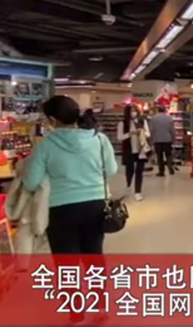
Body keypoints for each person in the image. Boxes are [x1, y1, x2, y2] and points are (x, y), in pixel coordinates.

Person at [19, 96, 117, 324]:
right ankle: (100, 307)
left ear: (52, 120)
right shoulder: (99, 139)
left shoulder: (45, 147)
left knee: (66, 263)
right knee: (94, 256)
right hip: (94, 206)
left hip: (60, 209)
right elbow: (111, 169)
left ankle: (76, 313)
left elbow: (31, 183)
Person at [117, 104, 151, 201]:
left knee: (139, 172)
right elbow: (119, 137)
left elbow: (148, 134)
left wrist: (142, 132)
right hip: (129, 151)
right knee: (129, 170)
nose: (133, 113)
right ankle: (128, 185)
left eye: (135, 111)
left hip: (141, 150)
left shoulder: (142, 121)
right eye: (131, 111)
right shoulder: (122, 123)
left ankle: (138, 191)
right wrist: (129, 134)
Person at [149, 106, 176, 177]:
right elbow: (172, 130)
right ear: (165, 110)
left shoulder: (153, 118)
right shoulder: (169, 118)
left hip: (157, 139)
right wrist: (173, 139)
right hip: (167, 139)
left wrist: (151, 139)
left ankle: (161, 171)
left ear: (158, 110)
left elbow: (151, 130)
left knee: (159, 156)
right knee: (168, 155)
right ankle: (170, 168)